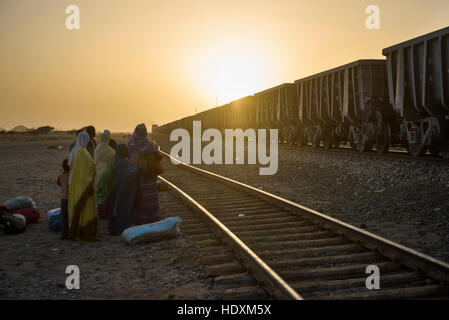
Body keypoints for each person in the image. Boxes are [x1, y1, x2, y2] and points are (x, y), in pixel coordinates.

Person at [128, 124, 163, 225]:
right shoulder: (149, 145)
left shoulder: (132, 144)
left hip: (138, 176)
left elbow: (130, 159)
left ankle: (140, 218)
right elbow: (157, 157)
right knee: (150, 195)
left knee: (139, 196)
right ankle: (153, 217)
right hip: (150, 176)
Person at [68, 131, 98, 241]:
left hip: (75, 183)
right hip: (84, 186)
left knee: (75, 206)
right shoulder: (83, 153)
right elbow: (90, 168)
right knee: (86, 209)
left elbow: (69, 165)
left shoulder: (75, 151)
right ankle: (84, 233)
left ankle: (73, 231)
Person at [108, 144, 139, 235]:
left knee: (115, 207)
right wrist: (138, 168)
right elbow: (129, 172)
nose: (127, 152)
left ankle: (113, 227)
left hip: (116, 186)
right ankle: (121, 227)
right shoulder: (122, 163)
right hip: (122, 187)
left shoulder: (116, 160)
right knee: (122, 208)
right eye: (126, 150)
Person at [94, 130, 116, 219]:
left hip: (98, 173)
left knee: (100, 193)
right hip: (107, 173)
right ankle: (106, 212)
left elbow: (95, 161)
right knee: (107, 193)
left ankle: (101, 212)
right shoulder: (110, 150)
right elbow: (114, 159)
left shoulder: (97, 149)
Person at [56, 159, 70, 239]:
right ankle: (71, 232)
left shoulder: (60, 175)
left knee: (64, 217)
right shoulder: (71, 175)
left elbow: (58, 183)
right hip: (70, 198)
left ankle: (64, 234)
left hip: (63, 198)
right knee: (70, 216)